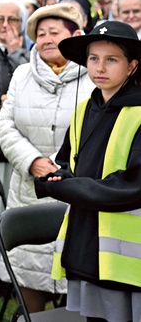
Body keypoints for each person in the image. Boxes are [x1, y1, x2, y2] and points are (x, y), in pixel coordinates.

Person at [35, 21, 141, 322]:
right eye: (94, 58)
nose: (100, 67)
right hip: (88, 247)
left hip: (130, 256)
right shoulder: (84, 109)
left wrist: (60, 187)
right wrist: (58, 176)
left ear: (132, 66)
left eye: (112, 59)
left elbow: (131, 186)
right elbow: (70, 164)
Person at [0, 3, 93, 313]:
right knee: (29, 274)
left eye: (55, 32)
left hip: (75, 190)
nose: (47, 39)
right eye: (40, 33)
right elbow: (4, 123)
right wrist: (33, 161)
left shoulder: (94, 76)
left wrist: (59, 165)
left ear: (75, 36)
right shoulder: (22, 74)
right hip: (29, 191)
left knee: (77, 277)